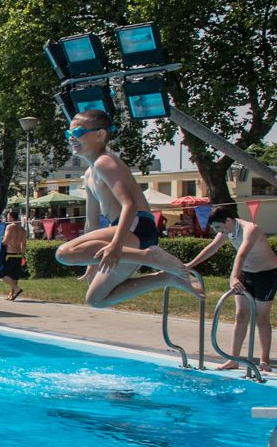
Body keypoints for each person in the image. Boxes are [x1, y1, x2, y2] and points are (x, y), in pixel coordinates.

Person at [54, 110, 203, 307]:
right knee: (96, 299)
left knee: (64, 253)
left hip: (135, 226)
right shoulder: (89, 174)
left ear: (100, 135)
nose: (71, 138)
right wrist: (91, 262)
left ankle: (148, 256)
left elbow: (129, 205)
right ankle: (167, 278)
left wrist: (116, 247)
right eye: (68, 134)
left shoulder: (105, 162)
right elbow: (91, 224)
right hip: (127, 236)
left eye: (78, 132)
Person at [188, 205, 277, 372]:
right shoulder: (227, 230)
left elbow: (242, 254)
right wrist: (190, 265)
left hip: (266, 275)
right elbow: (212, 248)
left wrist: (233, 276)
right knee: (240, 316)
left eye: (218, 227)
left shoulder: (250, 229)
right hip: (247, 273)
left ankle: (265, 361)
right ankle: (233, 359)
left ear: (228, 221)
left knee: (261, 319)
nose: (217, 232)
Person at [1, 215, 28, 301]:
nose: (7, 218)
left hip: (10, 253)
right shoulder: (22, 229)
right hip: (18, 254)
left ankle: (16, 289)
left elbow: (5, 241)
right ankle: (12, 294)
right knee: (14, 276)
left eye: (8, 217)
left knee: (1, 274)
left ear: (12, 218)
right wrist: (22, 254)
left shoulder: (10, 227)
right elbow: (24, 244)